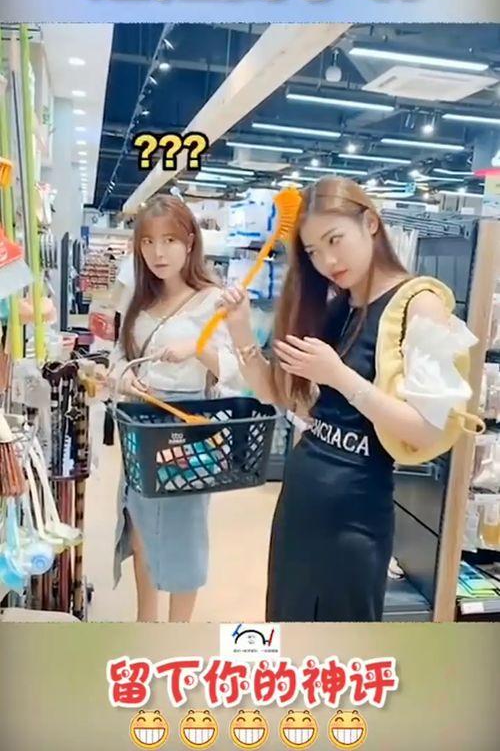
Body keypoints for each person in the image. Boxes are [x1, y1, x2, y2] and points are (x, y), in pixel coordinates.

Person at [220, 176, 475, 622]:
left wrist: (339, 376)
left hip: (355, 515)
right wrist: (241, 330)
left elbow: (428, 429)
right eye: (313, 251)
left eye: (334, 240)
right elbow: (281, 395)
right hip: (300, 502)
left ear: (370, 223)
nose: (327, 261)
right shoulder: (338, 306)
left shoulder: (418, 304)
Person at [109, 194, 241, 623]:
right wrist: (124, 378)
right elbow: (116, 359)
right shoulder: (139, 299)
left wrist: (197, 349)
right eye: (148, 242)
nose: (158, 252)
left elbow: (237, 370)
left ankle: (177, 634)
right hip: (141, 425)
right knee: (140, 526)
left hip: (189, 429)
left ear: (189, 243)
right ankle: (146, 625)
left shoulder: (213, 300)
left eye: (169, 240)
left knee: (184, 532)